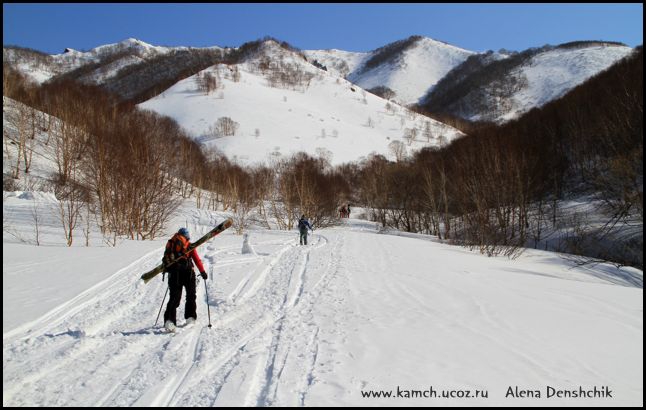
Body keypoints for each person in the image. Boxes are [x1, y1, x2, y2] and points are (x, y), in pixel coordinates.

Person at [162, 227, 207, 332]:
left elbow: (166, 258)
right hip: (188, 273)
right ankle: (190, 317)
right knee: (191, 295)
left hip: (174, 274)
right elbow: (196, 259)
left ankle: (169, 321)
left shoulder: (171, 243)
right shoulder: (189, 245)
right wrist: (202, 272)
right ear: (187, 236)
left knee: (174, 298)